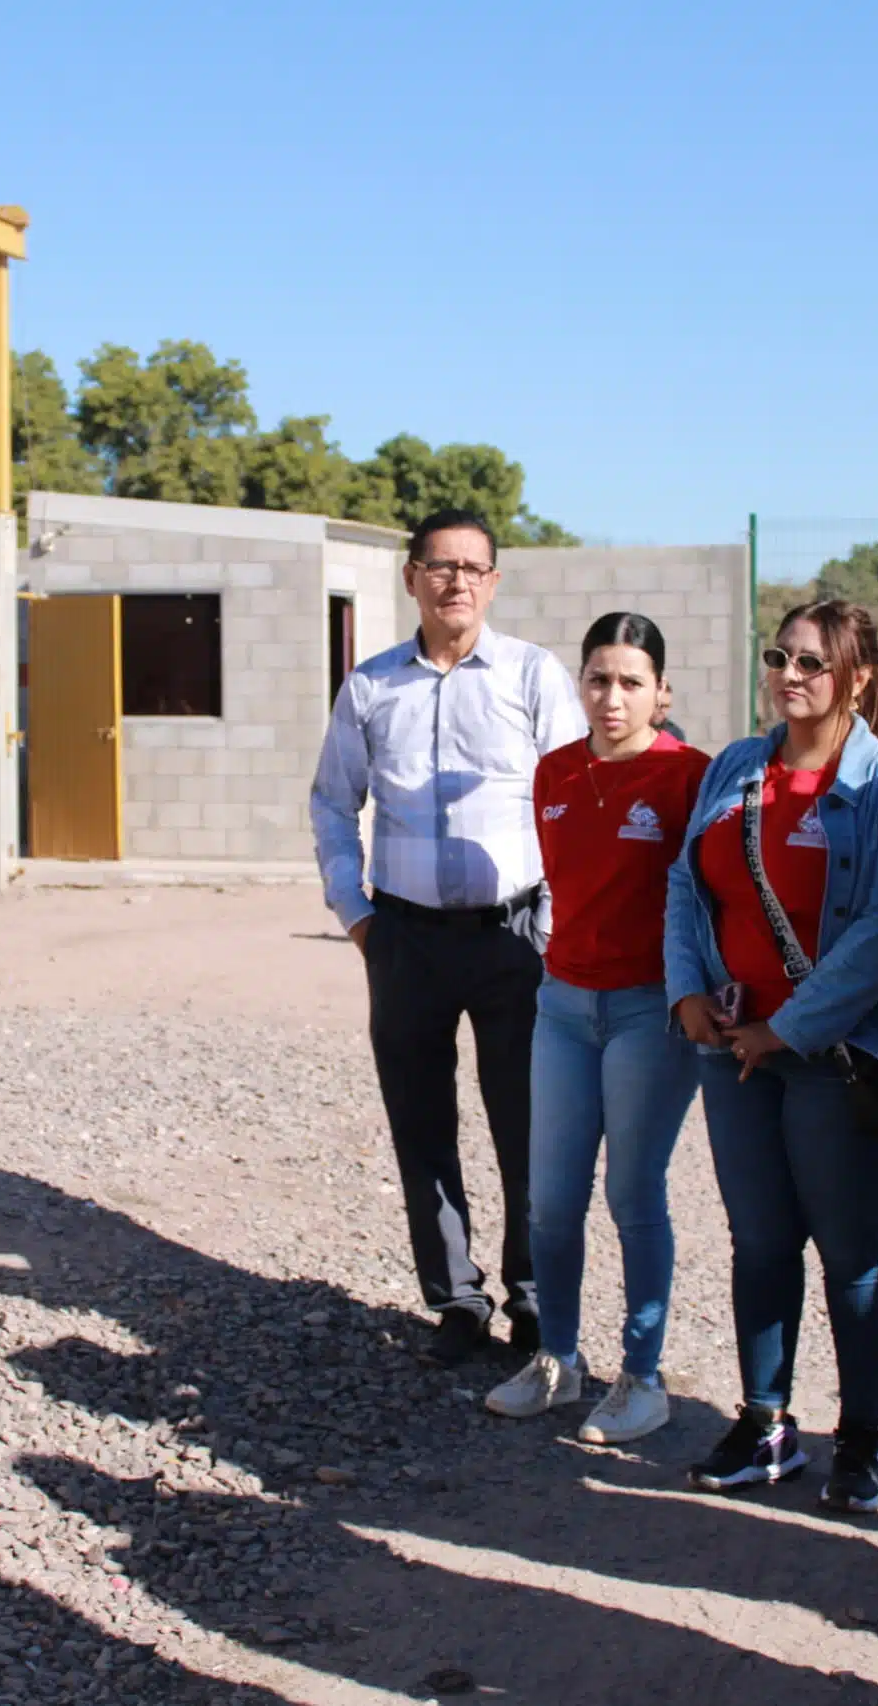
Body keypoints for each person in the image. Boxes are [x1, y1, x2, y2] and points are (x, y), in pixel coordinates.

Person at [666, 601, 878, 1511]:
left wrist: (788, 1029)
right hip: (733, 1050)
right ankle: (766, 1425)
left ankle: (861, 1442)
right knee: (760, 1242)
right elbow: (684, 883)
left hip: (839, 1055)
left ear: (857, 678)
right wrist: (688, 995)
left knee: (853, 1255)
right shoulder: (739, 766)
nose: (790, 675)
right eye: (779, 657)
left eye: (813, 664)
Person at [310, 507, 586, 1365]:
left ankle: (534, 1297)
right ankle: (456, 1299)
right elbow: (330, 802)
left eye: (474, 567)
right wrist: (354, 912)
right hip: (405, 942)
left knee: (527, 1127)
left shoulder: (533, 679)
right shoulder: (370, 688)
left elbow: (578, 806)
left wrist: (559, 917)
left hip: (516, 943)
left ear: (494, 582)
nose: (457, 580)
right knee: (422, 1127)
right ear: (411, 579)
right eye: (440, 565)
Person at [484, 613, 708, 1442]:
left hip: (651, 1010)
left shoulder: (690, 777)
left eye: (631, 682)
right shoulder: (553, 775)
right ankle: (559, 1360)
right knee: (548, 1200)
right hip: (563, 1007)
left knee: (631, 1193)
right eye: (598, 679)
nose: (612, 697)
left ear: (662, 692)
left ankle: (642, 1378)